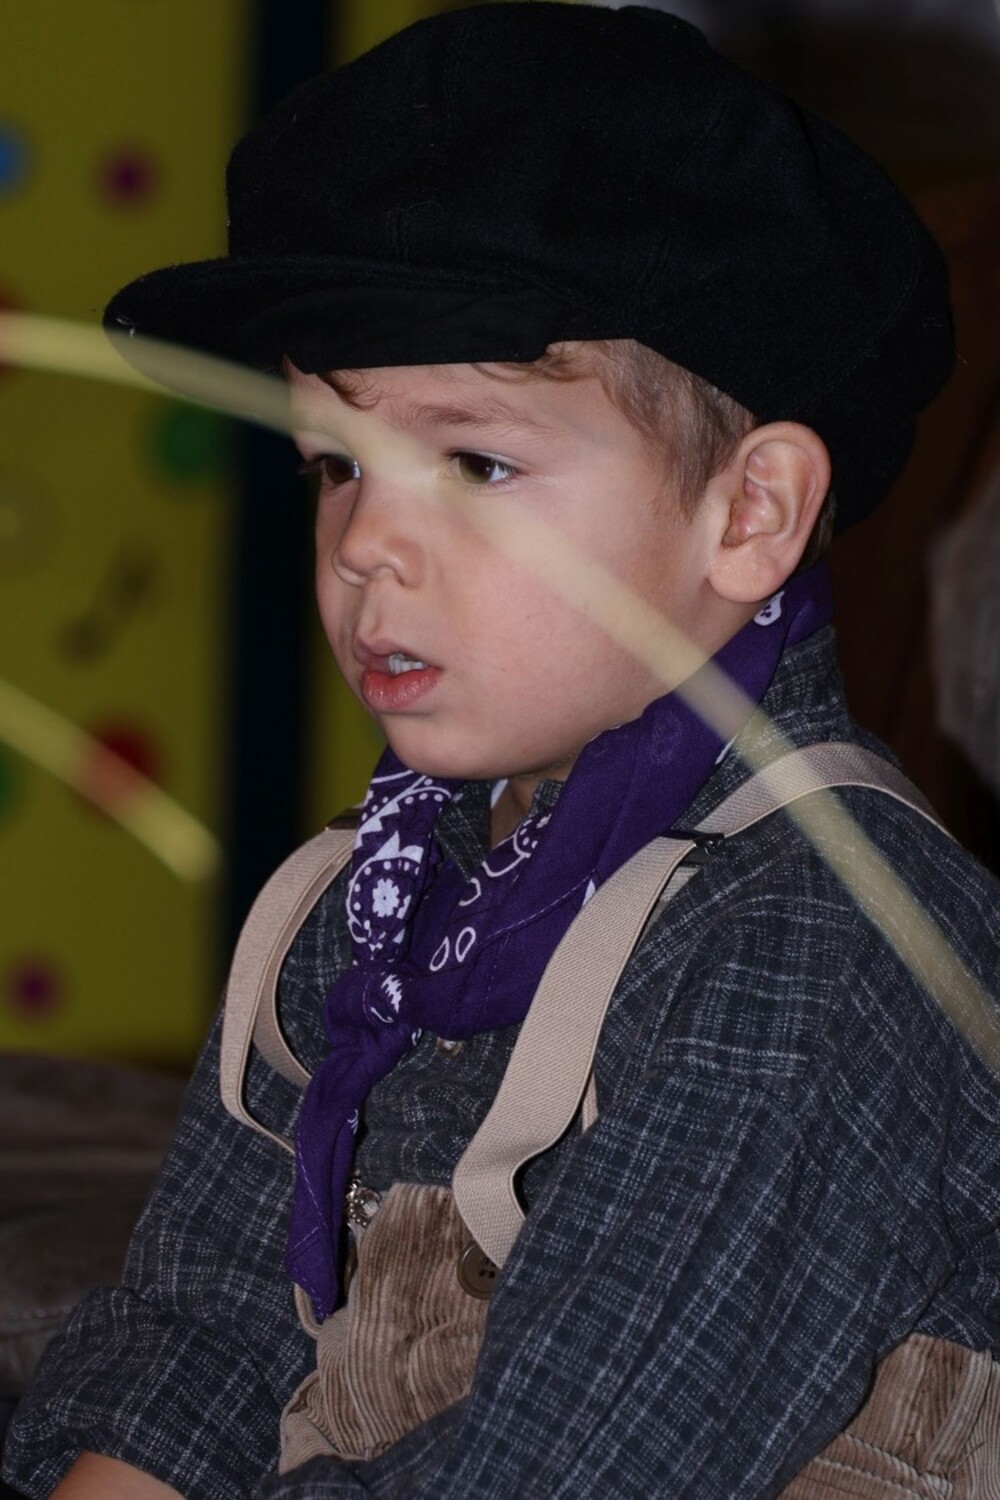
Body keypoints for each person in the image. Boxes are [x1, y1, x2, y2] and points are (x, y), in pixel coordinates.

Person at [5, 4, 1000, 1497]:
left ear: (748, 515)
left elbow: (572, 1461)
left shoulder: (827, 938)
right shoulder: (353, 906)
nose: (366, 545)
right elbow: (197, 1331)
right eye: (335, 464)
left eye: (474, 460)